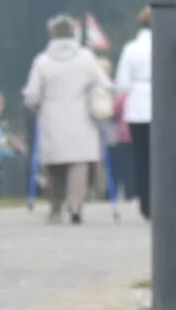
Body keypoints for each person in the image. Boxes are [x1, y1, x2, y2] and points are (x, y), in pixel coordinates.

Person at [20, 13, 114, 224]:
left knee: (54, 165)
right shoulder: (86, 58)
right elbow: (104, 84)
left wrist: (32, 104)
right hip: (81, 116)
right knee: (78, 162)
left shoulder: (42, 61)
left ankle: (55, 206)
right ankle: (75, 205)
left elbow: (32, 93)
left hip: (52, 117)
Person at [113, 6, 156, 218]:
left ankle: (145, 203)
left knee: (141, 157)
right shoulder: (164, 44)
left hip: (137, 108)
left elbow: (122, 83)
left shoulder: (131, 48)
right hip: (160, 105)